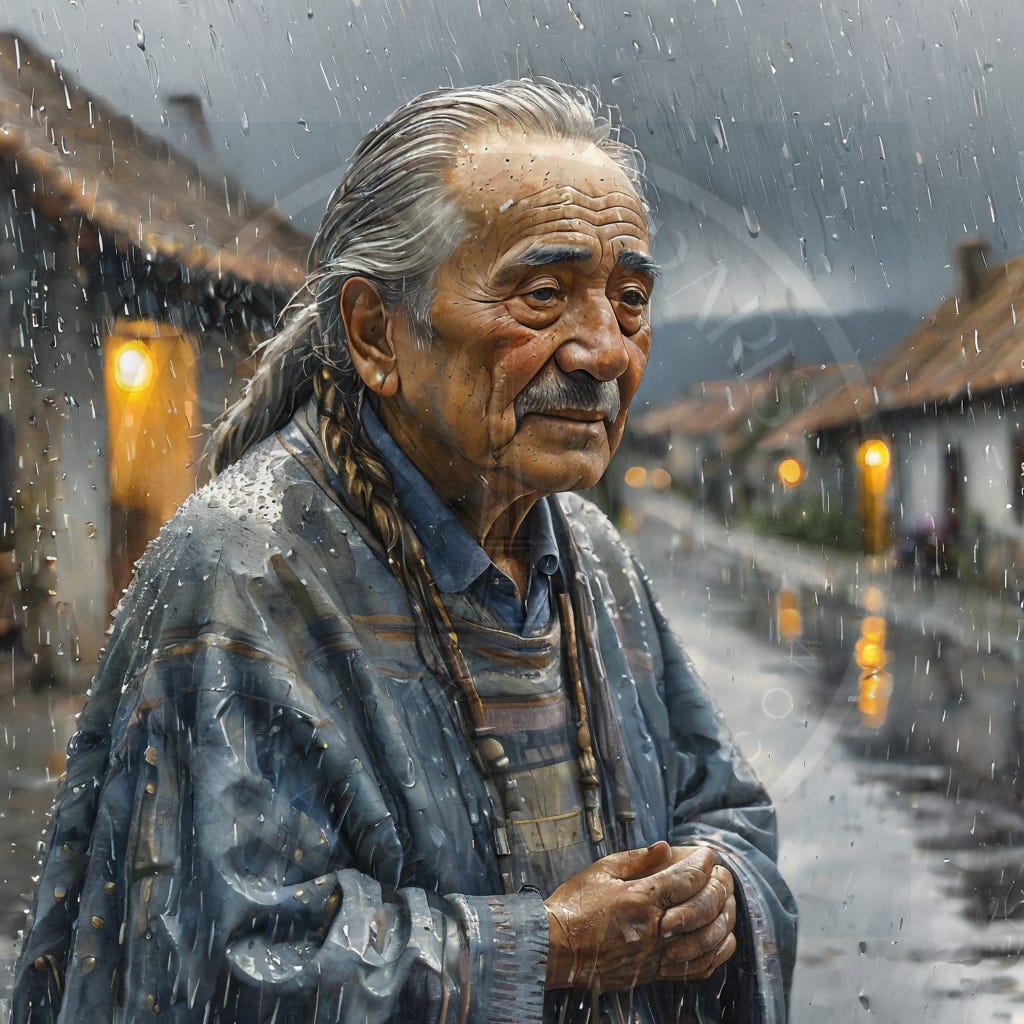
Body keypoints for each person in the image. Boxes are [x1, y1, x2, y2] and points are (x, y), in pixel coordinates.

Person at [12, 80, 796, 1023]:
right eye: (542, 295)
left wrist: (716, 888)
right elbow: (226, 963)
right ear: (377, 333)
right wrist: (544, 947)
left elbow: (728, 810)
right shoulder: (244, 573)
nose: (602, 351)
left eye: (628, 301)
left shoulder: (592, 557)